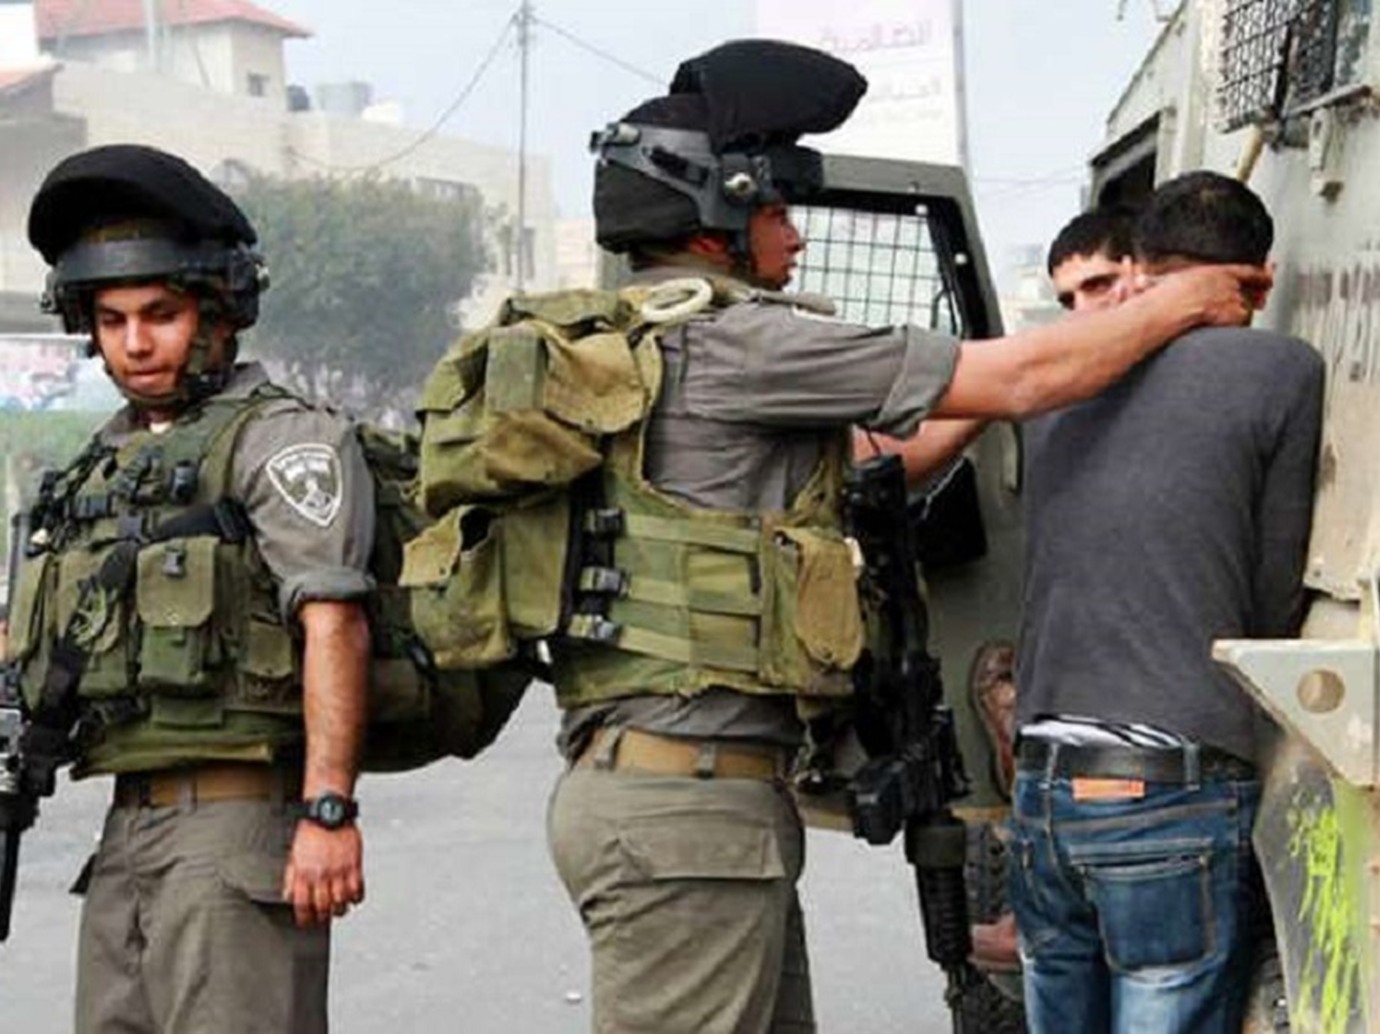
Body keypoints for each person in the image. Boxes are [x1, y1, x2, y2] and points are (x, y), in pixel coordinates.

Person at [542, 40, 1269, 1034]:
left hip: (673, 796)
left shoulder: (639, 345)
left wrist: (964, 410)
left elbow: (865, 462)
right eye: (776, 209)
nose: (796, 238)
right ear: (717, 216)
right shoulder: (740, 340)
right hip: (684, 807)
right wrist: (1184, 297)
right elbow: (1020, 377)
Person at [9, 144, 373, 1032]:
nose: (135, 343)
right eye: (111, 320)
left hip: (237, 822)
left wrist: (328, 810)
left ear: (218, 314)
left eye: (160, 315)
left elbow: (334, 622)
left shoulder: (280, 440)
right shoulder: (104, 463)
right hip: (125, 828)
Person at [1007, 173, 1325, 1032]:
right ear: (1258, 279)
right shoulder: (1282, 369)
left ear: (1141, 268)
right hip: (1167, 787)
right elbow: (1269, 599)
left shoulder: (1059, 378)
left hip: (1042, 783)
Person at [969, 205, 1137, 975]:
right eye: (1068, 299)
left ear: (1146, 273)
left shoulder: (1211, 376)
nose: (1084, 312)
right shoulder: (1065, 391)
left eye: (1100, 285)